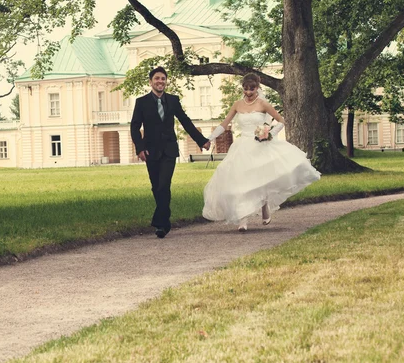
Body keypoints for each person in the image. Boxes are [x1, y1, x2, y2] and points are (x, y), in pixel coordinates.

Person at [202, 73, 320, 231]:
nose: (248, 92)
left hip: (260, 144)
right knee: (241, 182)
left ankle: (264, 204)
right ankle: (242, 220)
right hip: (242, 146)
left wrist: (269, 134)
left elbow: (281, 121)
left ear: (258, 88)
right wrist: (210, 138)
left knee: (260, 178)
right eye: (245, 89)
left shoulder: (263, 104)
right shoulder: (237, 104)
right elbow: (224, 124)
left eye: (252, 89)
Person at [131, 66, 211, 238]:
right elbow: (135, 126)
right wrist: (139, 148)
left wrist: (201, 140)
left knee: (164, 184)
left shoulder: (173, 101)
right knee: (156, 187)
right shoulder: (141, 102)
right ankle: (164, 223)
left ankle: (159, 223)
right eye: (157, 78)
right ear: (151, 81)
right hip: (150, 151)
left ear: (166, 81)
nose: (160, 81)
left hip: (169, 150)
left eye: (163, 78)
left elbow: (185, 121)